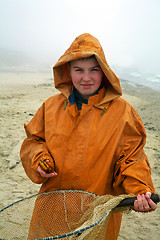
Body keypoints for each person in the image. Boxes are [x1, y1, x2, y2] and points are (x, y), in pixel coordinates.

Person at [20, 33, 157, 240]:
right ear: (68, 71)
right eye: (79, 70)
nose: (86, 78)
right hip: (52, 210)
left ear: (104, 72)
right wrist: (38, 159)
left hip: (97, 214)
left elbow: (131, 159)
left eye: (94, 70)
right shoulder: (51, 107)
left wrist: (140, 189)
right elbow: (34, 141)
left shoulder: (123, 113)